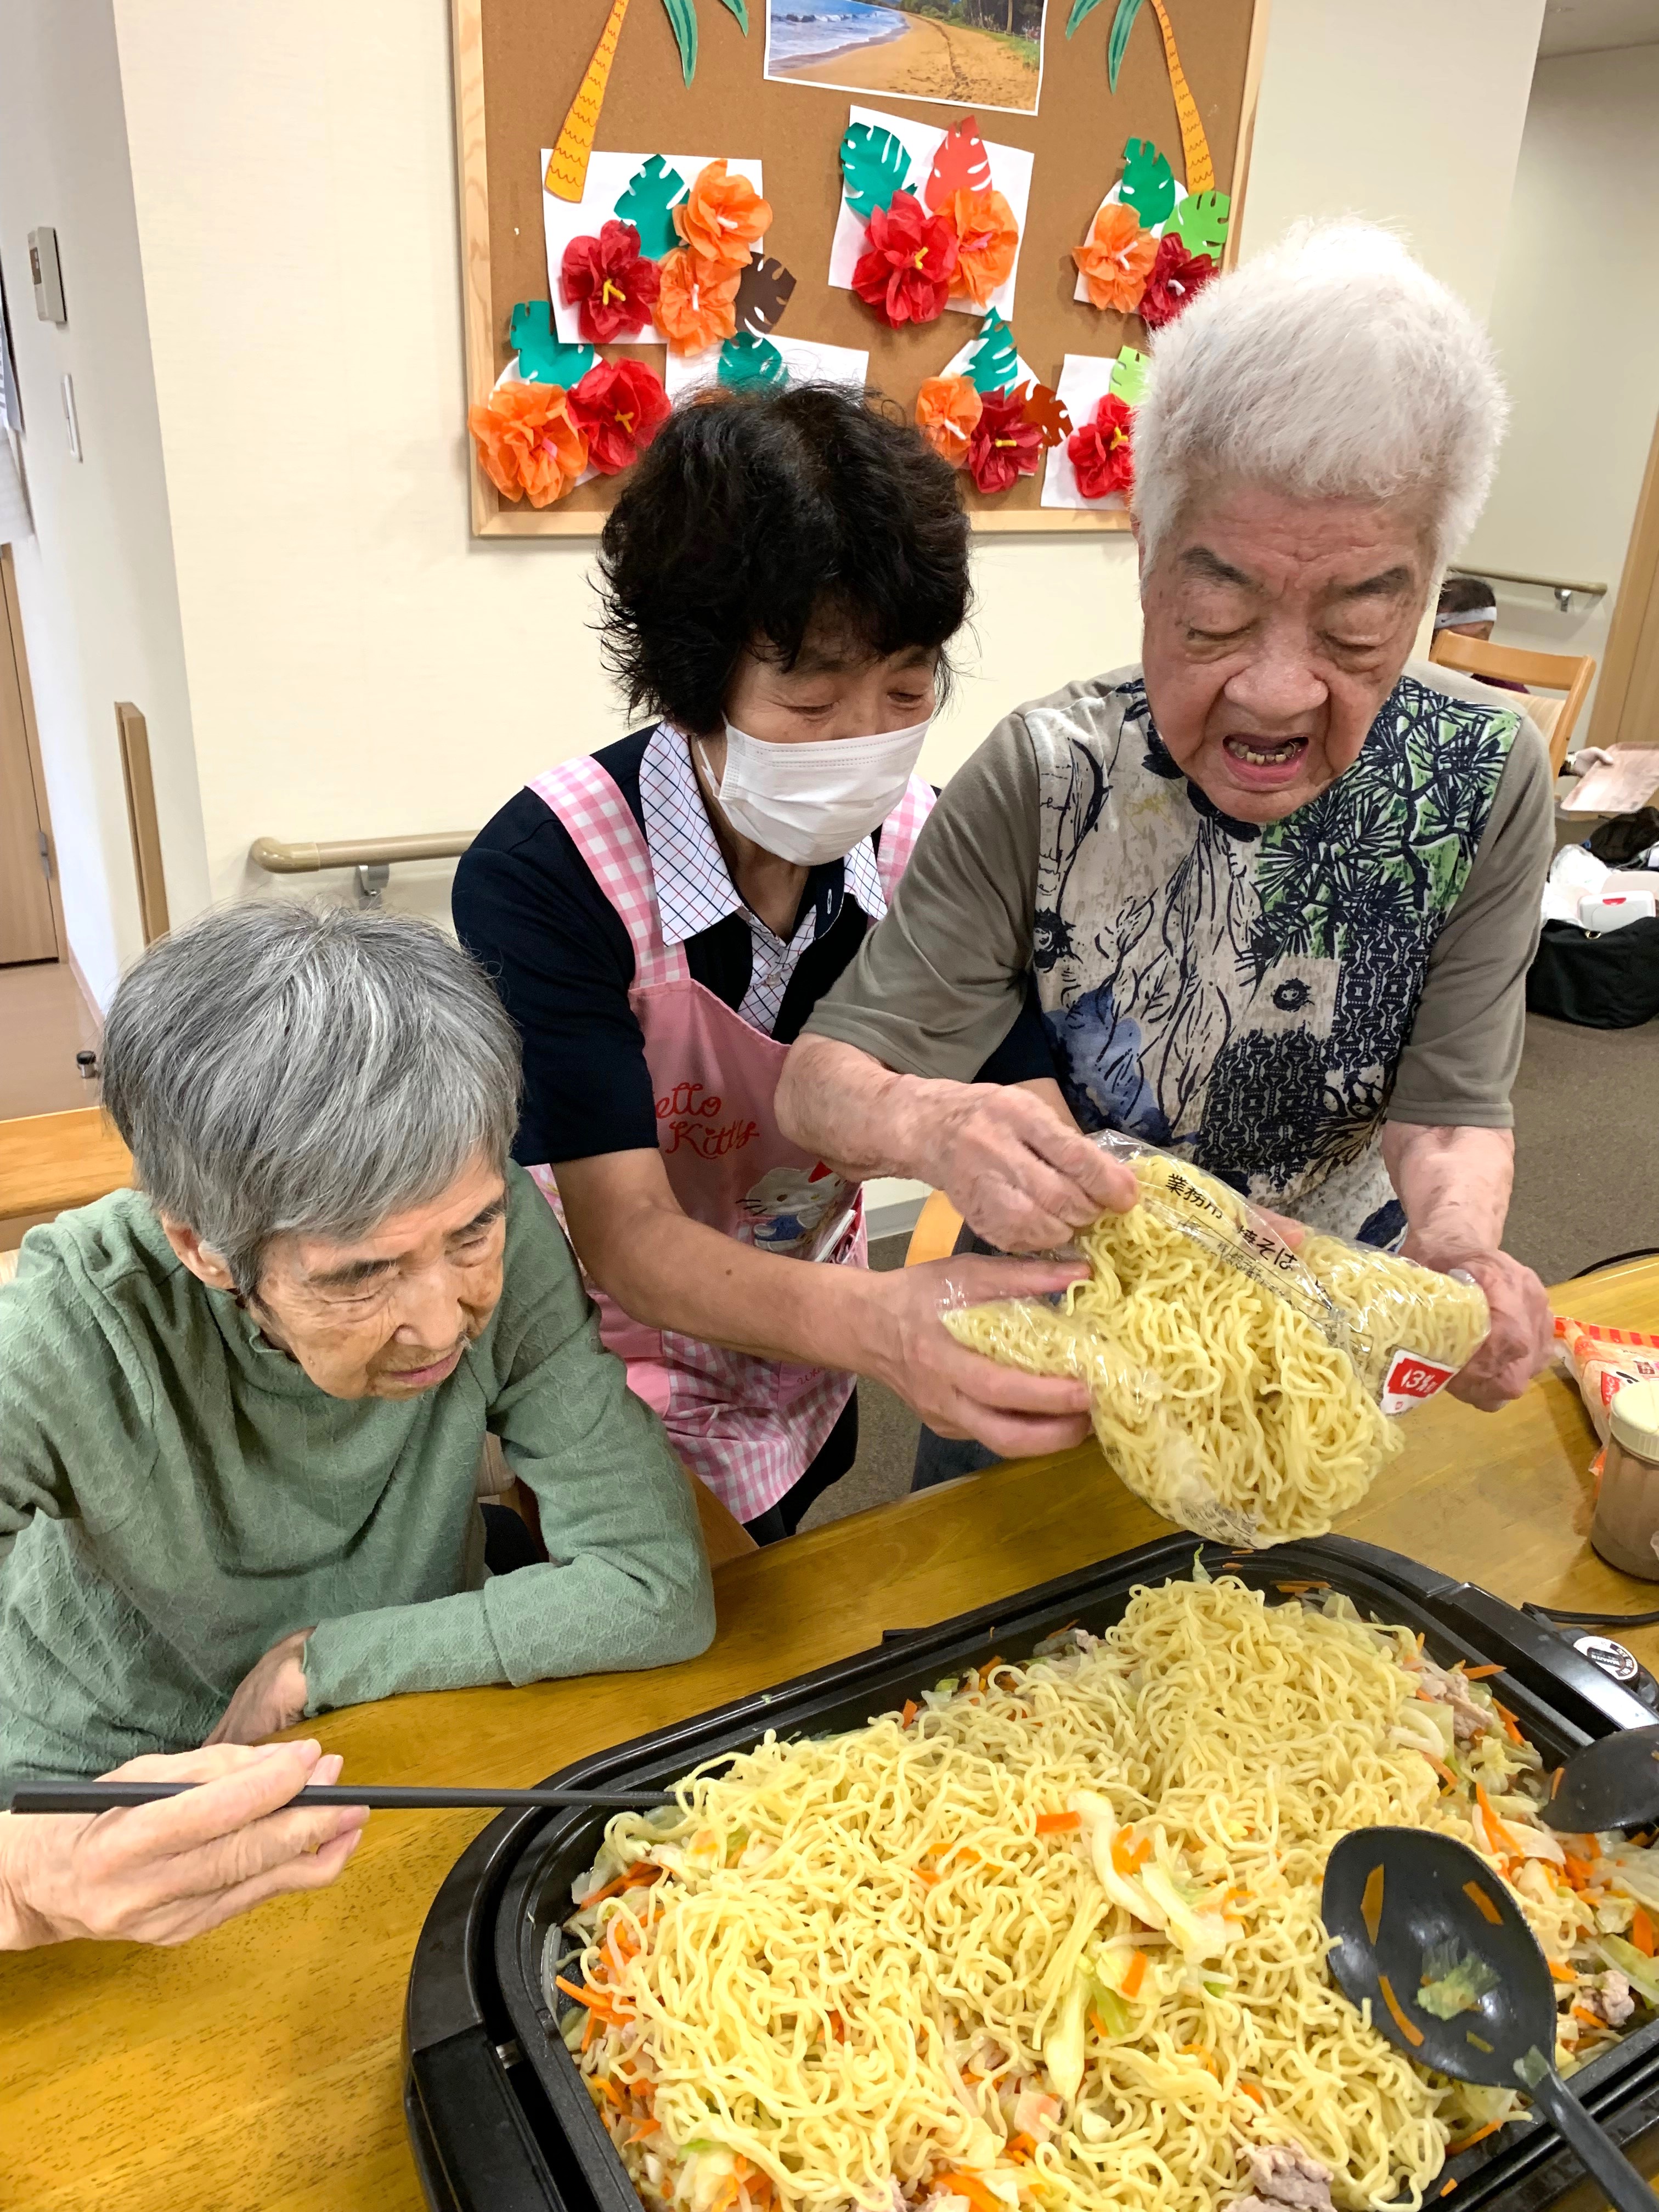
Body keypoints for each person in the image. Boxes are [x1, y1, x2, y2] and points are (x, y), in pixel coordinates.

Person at [776, 222, 1559, 1438]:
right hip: (1066, 1330)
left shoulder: (1481, 777)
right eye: (1216, 615)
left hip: (1332, 1319)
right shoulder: (1048, 774)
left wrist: (1460, 1257)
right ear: (1147, 559)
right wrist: (931, 1125)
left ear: (1429, 584)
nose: (1277, 693)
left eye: (1358, 629)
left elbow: (1452, 1106)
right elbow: (821, 1085)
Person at [0, 902, 713, 1948]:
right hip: (94, 1787)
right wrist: (26, 1885)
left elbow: (655, 1586)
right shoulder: (64, 1331)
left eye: (469, 1231)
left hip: (379, 1737)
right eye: (360, 1274)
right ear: (201, 1246)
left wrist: (316, 1660)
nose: (441, 1322)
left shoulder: (497, 1217)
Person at [453, 387, 1095, 1543]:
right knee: (645, 1613)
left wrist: (1072, 1190)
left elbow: (1020, 1081)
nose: (866, 745)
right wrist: (889, 1326)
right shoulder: (548, 873)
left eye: (906, 692)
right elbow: (630, 1239)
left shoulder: (923, 847)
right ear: (699, 693)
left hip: (816, 1314)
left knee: (800, 1573)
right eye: (810, 702)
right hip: (622, 1355)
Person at [1435, 573, 1526, 690]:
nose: (1463, 656)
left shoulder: (1501, 684)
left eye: (1476, 645)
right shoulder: (1412, 672)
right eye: (1454, 645)